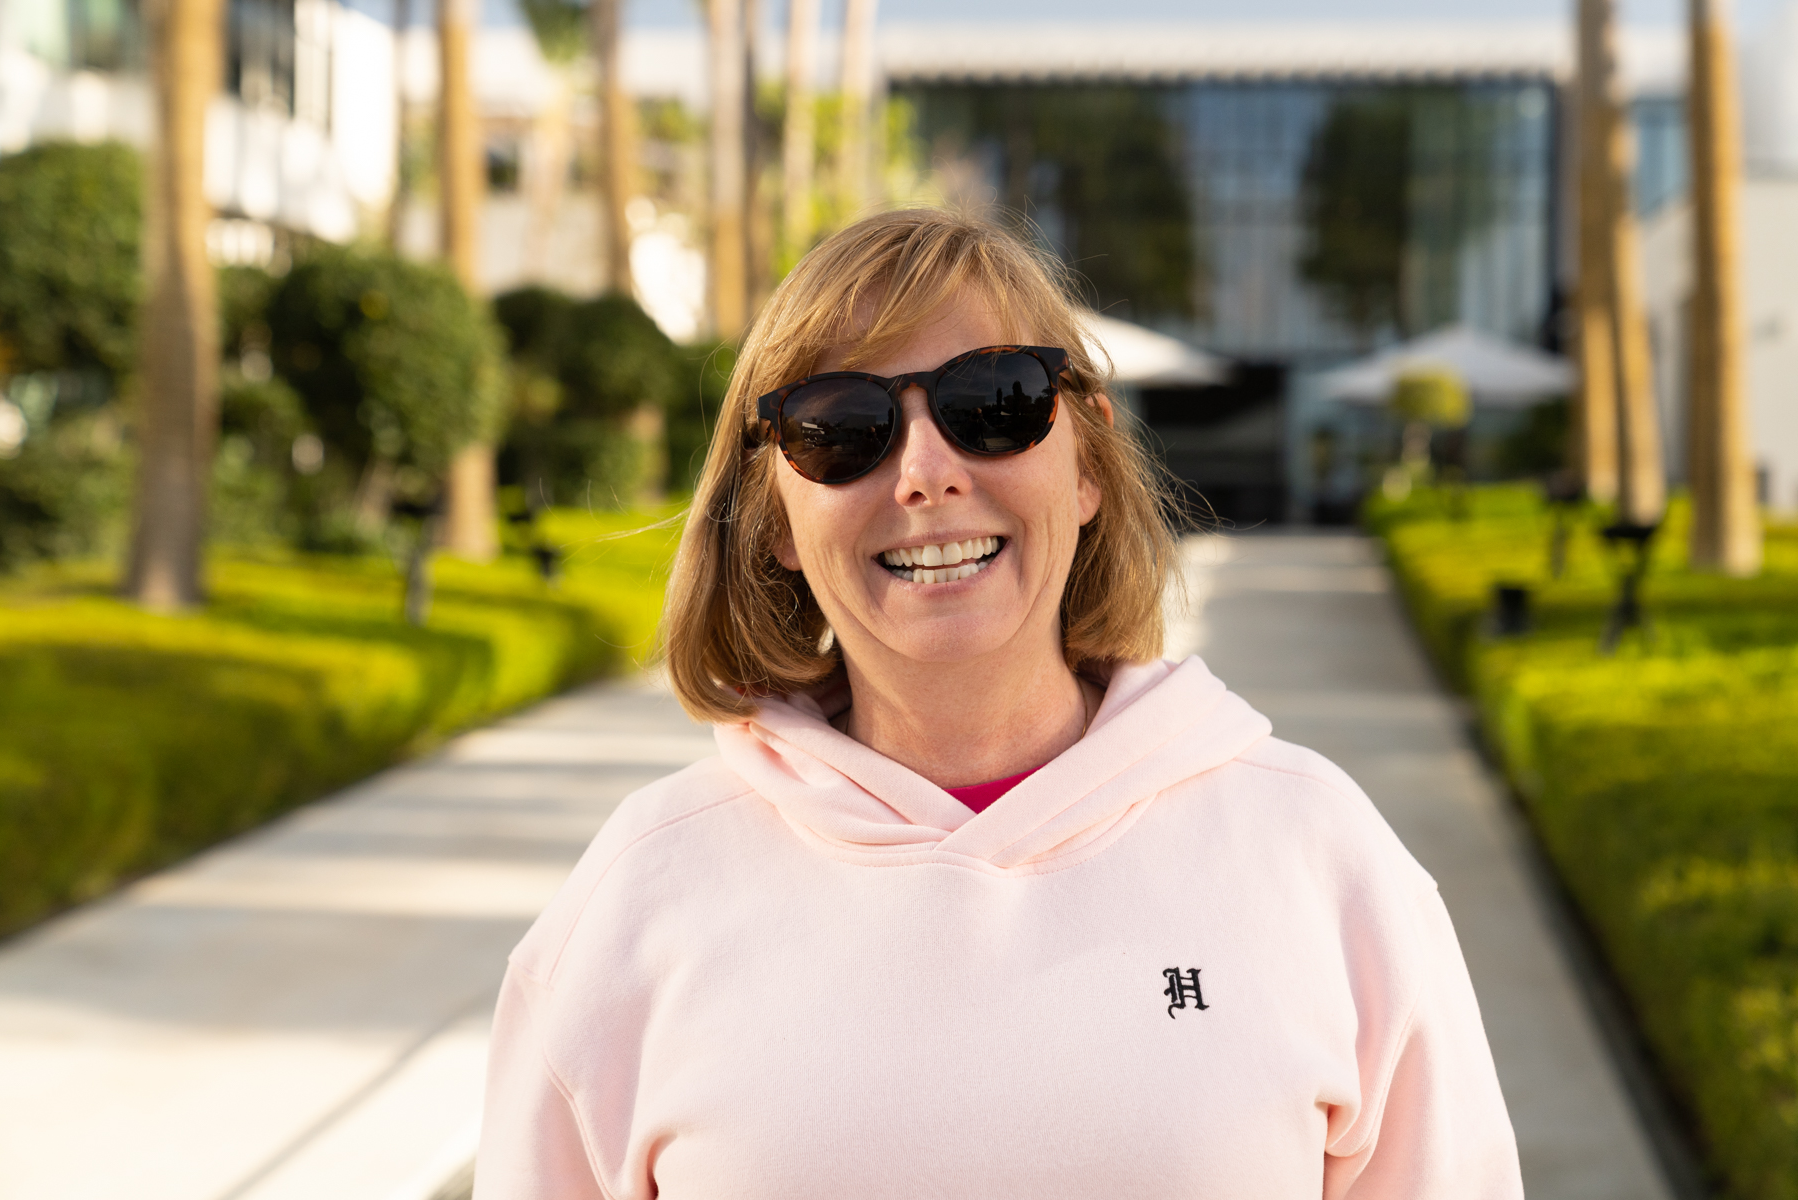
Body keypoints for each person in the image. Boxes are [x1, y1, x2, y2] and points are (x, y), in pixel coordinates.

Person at [473, 209, 1523, 1199]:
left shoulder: (1316, 854)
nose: (926, 474)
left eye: (996, 405)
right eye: (842, 427)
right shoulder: (643, 891)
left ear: (1087, 467)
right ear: (776, 521)